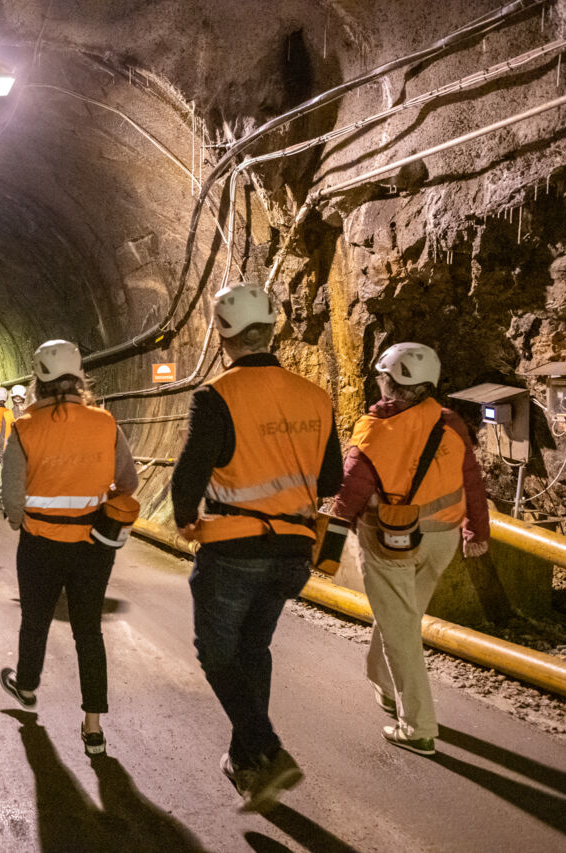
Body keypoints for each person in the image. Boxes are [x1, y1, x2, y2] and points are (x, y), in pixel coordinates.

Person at [171, 283, 342, 813]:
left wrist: (184, 521)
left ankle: (268, 749)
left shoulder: (217, 396)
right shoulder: (315, 396)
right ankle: (247, 767)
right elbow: (331, 478)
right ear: (273, 328)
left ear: (222, 334)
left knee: (217, 652)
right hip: (293, 554)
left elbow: (188, 476)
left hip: (233, 551)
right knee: (252, 650)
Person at [331, 342, 489, 756]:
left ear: (388, 382)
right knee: (400, 616)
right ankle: (383, 683)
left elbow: (348, 496)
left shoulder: (374, 430)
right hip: (442, 541)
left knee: (401, 631)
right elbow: (471, 480)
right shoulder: (451, 422)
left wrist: (326, 549)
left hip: (390, 542)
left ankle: (417, 726)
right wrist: (478, 531)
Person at [0, 340, 139, 757]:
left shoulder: (24, 428)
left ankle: (26, 687)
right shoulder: (105, 422)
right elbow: (127, 483)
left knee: (35, 621)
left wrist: (21, 520)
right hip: (93, 545)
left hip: (40, 543)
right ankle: (93, 729)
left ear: (38, 381)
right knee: (88, 633)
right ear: (79, 377)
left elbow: (12, 500)